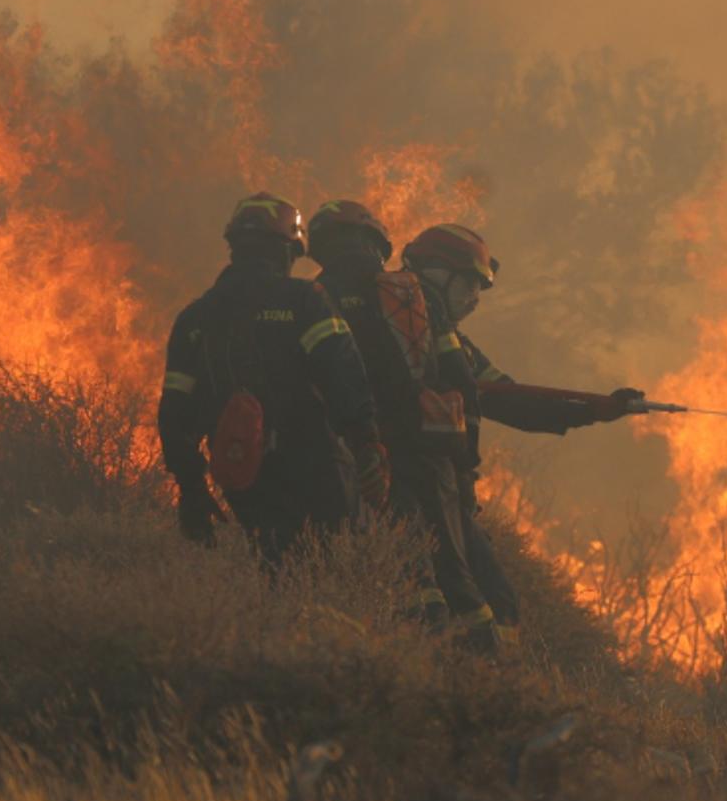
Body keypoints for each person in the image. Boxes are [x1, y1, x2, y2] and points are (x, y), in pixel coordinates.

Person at [401, 223, 645, 650]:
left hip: (439, 490)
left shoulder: (453, 345)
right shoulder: (416, 337)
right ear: (440, 275)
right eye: (468, 287)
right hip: (421, 489)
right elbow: (515, 404)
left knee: (489, 602)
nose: (473, 301)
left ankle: (482, 687)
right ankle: (477, 690)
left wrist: (596, 410)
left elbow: (514, 400)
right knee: (474, 605)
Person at [157, 193, 391, 562]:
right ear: (287, 250)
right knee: (349, 561)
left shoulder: (195, 318)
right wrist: (367, 442)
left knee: (275, 565)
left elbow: (174, 414)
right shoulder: (304, 299)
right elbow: (342, 373)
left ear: (234, 247)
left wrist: (191, 487)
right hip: (317, 464)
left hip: (243, 470)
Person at [307, 200, 496, 649]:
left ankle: (419, 654)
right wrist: (465, 466)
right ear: (378, 243)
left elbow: (314, 384)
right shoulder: (415, 293)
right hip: (431, 454)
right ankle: (488, 673)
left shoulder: (312, 297)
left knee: (404, 564)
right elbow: (462, 381)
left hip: (364, 453)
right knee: (456, 572)